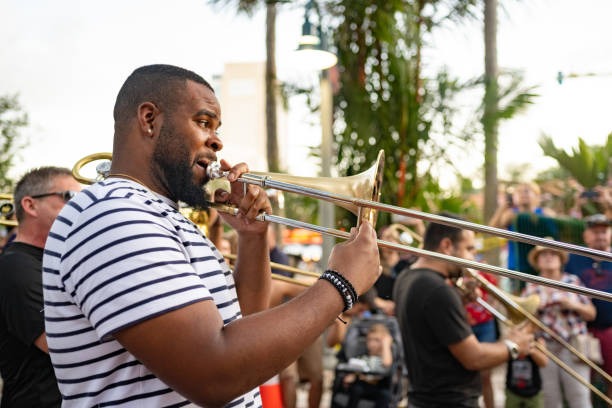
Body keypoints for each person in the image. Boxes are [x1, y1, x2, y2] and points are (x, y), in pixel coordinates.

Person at [41, 64, 381, 407]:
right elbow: (214, 373)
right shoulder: (115, 214)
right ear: (149, 119)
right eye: (204, 123)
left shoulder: (162, 216)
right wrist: (340, 285)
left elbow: (242, 327)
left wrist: (253, 238)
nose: (217, 141)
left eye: (217, 128)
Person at [393, 212, 534, 408]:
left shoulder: (406, 277)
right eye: (469, 249)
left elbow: (430, 323)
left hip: (424, 398)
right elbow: (474, 358)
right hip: (450, 401)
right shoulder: (438, 290)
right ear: (447, 246)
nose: (472, 258)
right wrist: (513, 345)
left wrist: (459, 300)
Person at [0, 166, 81, 407]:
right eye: (70, 198)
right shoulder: (15, 266)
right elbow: (67, 347)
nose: (82, 207)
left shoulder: (62, 262)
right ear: (30, 205)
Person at [523, 241, 596, 408]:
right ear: (538, 260)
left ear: (560, 259)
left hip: (573, 345)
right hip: (545, 347)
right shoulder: (531, 286)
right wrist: (535, 311)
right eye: (544, 254)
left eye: (553, 253)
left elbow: (592, 313)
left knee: (580, 396)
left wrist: (573, 305)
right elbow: (524, 322)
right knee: (550, 399)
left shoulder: (572, 281)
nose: (549, 257)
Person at [564, 213, 612, 405]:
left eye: (604, 231)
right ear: (586, 235)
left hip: (610, 329)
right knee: (581, 381)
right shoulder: (573, 258)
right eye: (595, 232)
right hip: (581, 330)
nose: (600, 236)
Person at [489, 182, 557, 289]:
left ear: (537, 196)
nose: (522, 194)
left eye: (526, 191)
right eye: (518, 192)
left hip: (542, 267)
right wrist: (503, 208)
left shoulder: (545, 214)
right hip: (517, 267)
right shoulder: (511, 215)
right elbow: (492, 231)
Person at [340, 323, 394, 408]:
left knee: (385, 395)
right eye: (369, 340)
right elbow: (357, 367)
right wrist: (353, 376)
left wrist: (386, 345)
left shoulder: (386, 355)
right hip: (362, 386)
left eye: (377, 340)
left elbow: (387, 364)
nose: (372, 343)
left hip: (379, 387)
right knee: (355, 389)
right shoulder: (364, 355)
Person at [505, 336, 548, 408]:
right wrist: (517, 347)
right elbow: (502, 356)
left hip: (534, 393)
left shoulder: (538, 340)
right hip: (512, 392)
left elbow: (544, 363)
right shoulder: (511, 339)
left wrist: (532, 350)